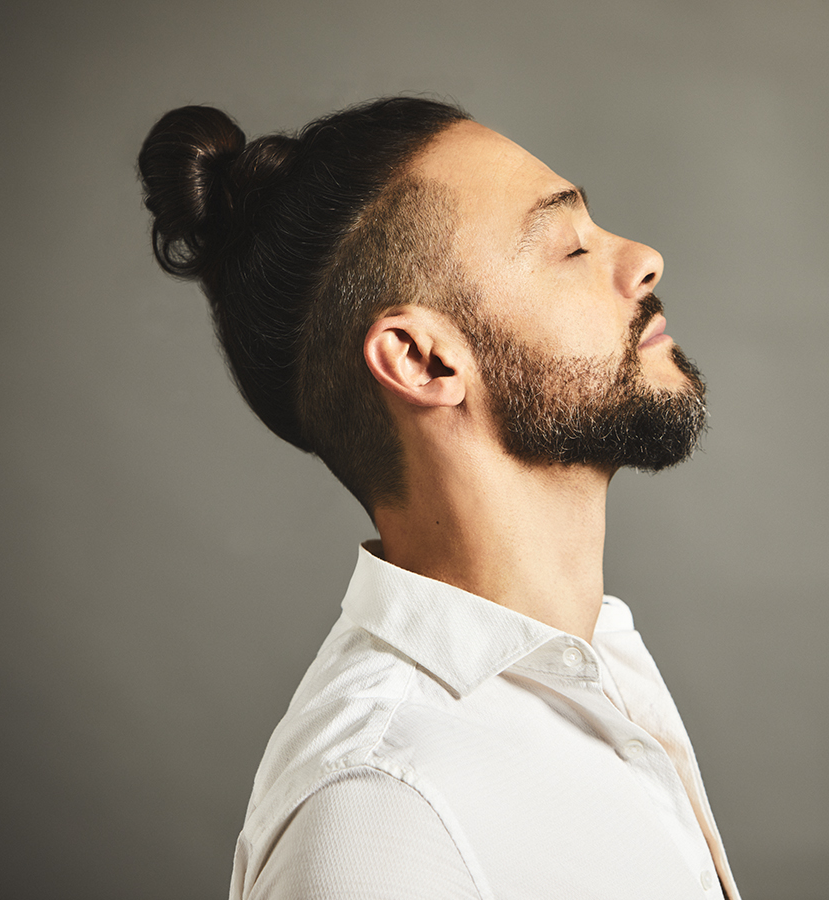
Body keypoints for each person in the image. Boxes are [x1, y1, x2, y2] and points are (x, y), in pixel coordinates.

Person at [138, 96, 739, 899]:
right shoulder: (378, 811)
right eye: (569, 246)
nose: (643, 259)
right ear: (422, 360)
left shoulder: (598, 668)